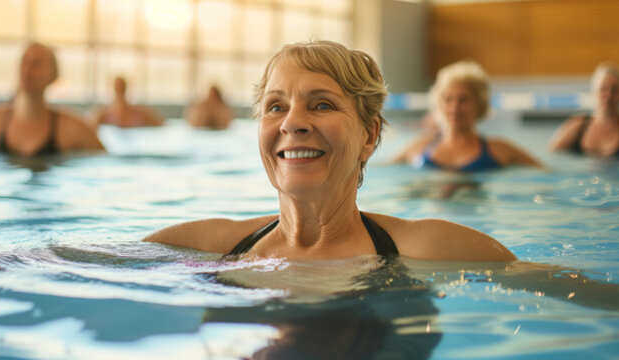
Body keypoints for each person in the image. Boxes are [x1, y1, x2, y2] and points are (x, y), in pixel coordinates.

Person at [143, 41, 516, 262]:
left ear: (369, 137)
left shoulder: (429, 249)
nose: (292, 123)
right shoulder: (205, 248)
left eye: (321, 105)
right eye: (276, 107)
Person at [392, 60, 541, 171]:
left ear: (479, 104)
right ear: (438, 102)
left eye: (463, 100)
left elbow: (547, 175)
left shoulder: (500, 150)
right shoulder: (420, 147)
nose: (455, 107)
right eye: (448, 99)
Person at [0, 43, 105, 156]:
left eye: (37, 63)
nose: (27, 69)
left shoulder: (73, 128)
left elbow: (106, 165)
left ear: (53, 75)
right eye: (24, 61)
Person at [548, 62, 619, 157]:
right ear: (594, 92)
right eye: (603, 88)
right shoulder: (576, 126)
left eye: (615, 90)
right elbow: (551, 159)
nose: (608, 95)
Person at [92, 77, 165, 128]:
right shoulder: (103, 114)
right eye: (118, 87)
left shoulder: (140, 113)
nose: (120, 89)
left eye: (121, 87)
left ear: (125, 88)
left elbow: (160, 123)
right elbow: (91, 125)